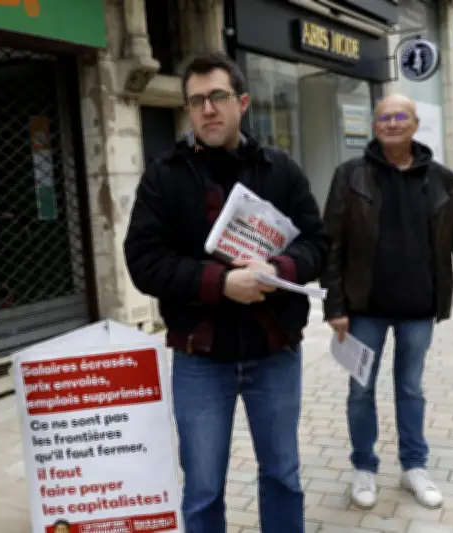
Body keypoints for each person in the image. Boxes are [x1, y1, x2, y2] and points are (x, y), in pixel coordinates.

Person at [123, 52, 328, 533]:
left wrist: (277, 267)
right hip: (200, 358)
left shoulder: (281, 170)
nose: (207, 109)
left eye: (217, 97)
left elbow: (318, 242)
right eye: (196, 101)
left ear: (242, 102)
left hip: (274, 351)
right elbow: (143, 262)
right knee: (203, 489)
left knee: (283, 477)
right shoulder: (164, 176)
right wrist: (220, 283)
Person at [320, 95, 453, 511]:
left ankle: (413, 467)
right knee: (359, 391)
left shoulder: (443, 180)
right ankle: (364, 467)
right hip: (364, 308)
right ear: (374, 125)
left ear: (415, 123)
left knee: (410, 388)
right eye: (383, 117)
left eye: (399, 116)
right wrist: (335, 306)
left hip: (419, 307)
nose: (391, 122)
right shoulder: (350, 176)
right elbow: (331, 244)